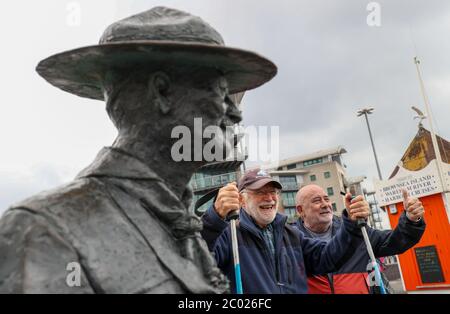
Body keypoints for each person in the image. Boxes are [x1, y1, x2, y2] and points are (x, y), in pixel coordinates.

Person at [0, 7, 277, 293]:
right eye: (220, 92)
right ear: (162, 92)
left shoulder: (179, 222)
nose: (235, 113)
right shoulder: (44, 232)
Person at [201, 168, 370, 293]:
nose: (269, 198)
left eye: (273, 192)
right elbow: (196, 262)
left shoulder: (291, 235)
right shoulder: (227, 236)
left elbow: (329, 257)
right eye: (260, 192)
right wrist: (215, 218)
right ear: (241, 200)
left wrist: (350, 223)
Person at [295, 184, 425, 294]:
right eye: (317, 201)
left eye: (327, 199)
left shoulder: (356, 231)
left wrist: (411, 220)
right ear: (301, 210)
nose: (325, 205)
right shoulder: (290, 242)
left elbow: (395, 241)